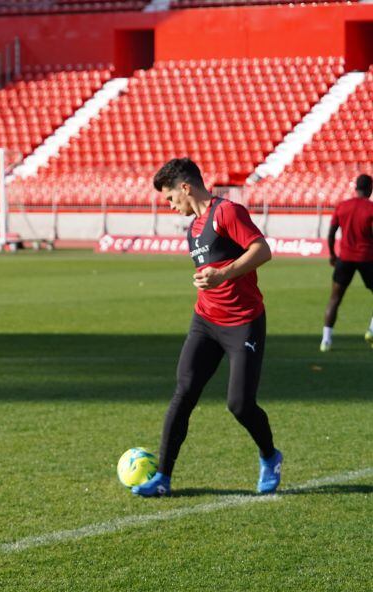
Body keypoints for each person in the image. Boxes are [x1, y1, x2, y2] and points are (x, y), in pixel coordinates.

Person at [132, 158, 282, 498]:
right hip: (205, 322)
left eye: (170, 198)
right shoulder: (193, 229)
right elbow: (211, 273)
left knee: (240, 405)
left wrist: (223, 274)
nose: (170, 207)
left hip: (243, 323)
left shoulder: (228, 212)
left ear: (185, 187)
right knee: (183, 393)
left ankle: (270, 456)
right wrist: (207, 279)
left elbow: (263, 250)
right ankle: (163, 478)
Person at [319, 173, 373, 352]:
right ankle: (372, 330)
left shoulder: (342, 206)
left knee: (335, 299)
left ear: (355, 187)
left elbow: (331, 232)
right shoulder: (371, 208)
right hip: (367, 258)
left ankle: (326, 341)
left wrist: (333, 254)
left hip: (345, 258)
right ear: (370, 189)